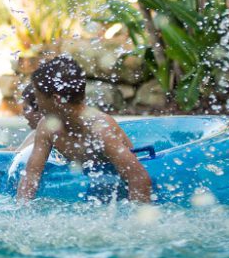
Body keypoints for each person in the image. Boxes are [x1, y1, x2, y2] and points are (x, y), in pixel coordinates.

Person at [16, 55, 152, 203]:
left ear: (56, 99)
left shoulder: (99, 130)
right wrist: (22, 209)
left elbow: (138, 177)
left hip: (119, 189)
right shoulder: (47, 127)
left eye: (38, 98)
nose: (38, 105)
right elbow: (31, 175)